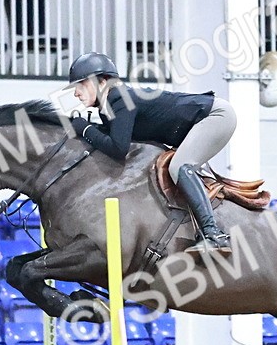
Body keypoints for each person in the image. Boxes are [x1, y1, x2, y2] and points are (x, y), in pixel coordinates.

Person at [65, 52, 236, 254]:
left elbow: (118, 149)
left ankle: (214, 234)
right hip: (204, 117)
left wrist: (84, 129)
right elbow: (113, 140)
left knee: (179, 166)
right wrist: (86, 128)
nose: (76, 93)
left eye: (81, 84)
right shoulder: (109, 105)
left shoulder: (119, 98)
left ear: (101, 81)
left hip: (216, 116)